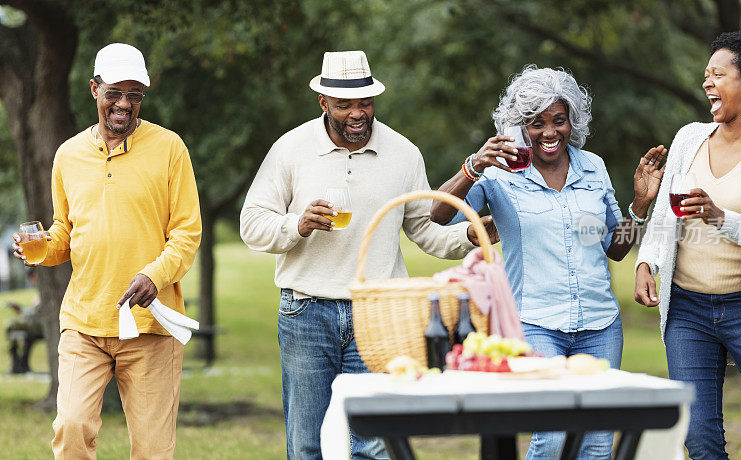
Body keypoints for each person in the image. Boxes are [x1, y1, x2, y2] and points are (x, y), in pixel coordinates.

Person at [240, 50, 493, 459]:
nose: (357, 113)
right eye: (345, 105)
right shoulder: (291, 148)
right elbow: (251, 225)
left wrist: (478, 231)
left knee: (375, 445)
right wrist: (297, 225)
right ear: (323, 102)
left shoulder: (404, 153)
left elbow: (425, 232)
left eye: (365, 103)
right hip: (306, 312)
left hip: (378, 314)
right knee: (306, 443)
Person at [430, 66, 665, 459]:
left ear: (573, 121)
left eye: (559, 120)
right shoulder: (499, 173)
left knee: (597, 442)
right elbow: (438, 213)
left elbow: (614, 247)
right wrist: (473, 166)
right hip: (536, 322)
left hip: (599, 324)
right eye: (536, 123)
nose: (549, 132)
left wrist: (640, 204)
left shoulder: (593, 167)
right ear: (519, 126)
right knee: (552, 436)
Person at [11, 43, 201, 459]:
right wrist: (40, 250)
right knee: (72, 427)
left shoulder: (170, 149)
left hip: (151, 324)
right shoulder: (67, 155)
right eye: (115, 92)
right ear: (94, 89)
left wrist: (155, 275)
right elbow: (65, 233)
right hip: (85, 320)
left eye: (135, 95)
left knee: (152, 449)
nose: (124, 104)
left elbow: (187, 233)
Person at [634, 31, 741, 458]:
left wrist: (722, 219)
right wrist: (646, 263)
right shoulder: (690, 138)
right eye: (705, 74)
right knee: (700, 440)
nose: (707, 82)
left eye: (718, 74)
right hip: (687, 310)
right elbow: (665, 216)